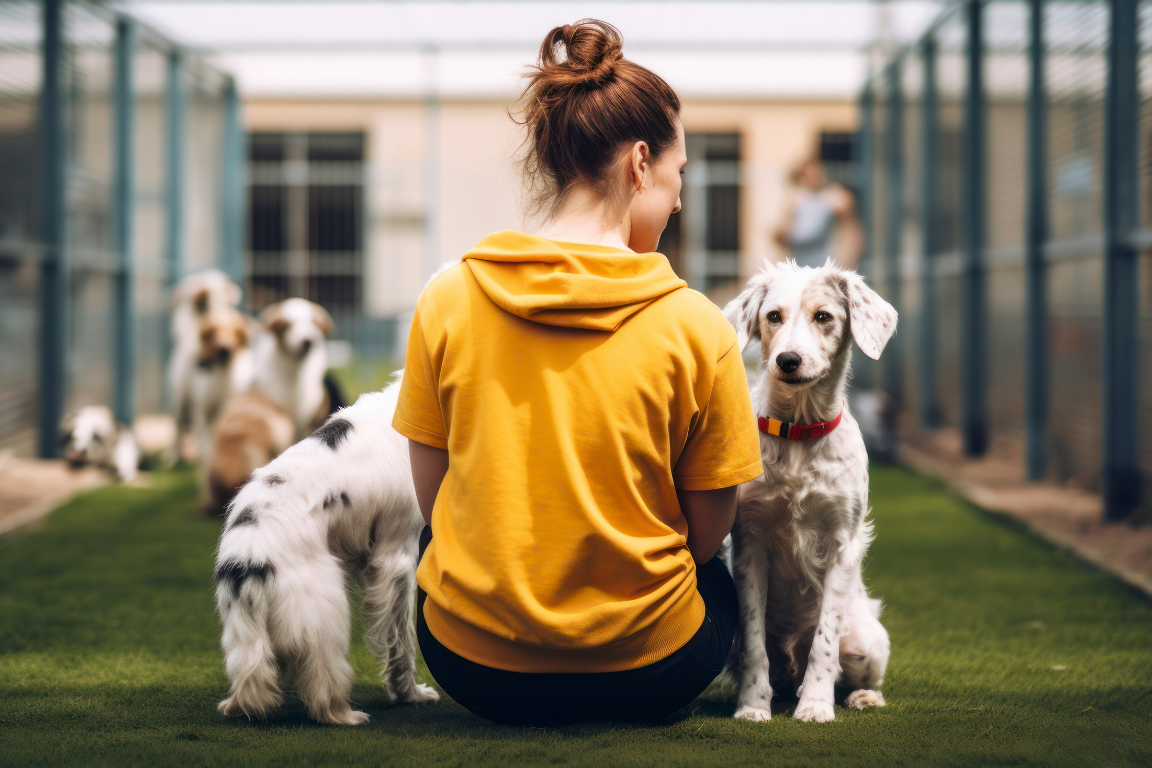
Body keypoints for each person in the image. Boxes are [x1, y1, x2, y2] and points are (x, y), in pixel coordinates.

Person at [392, 19, 764, 726]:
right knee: (714, 575)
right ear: (640, 163)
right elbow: (708, 531)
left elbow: (436, 502)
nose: (679, 199)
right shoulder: (697, 324)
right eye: (678, 176)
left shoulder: (446, 298)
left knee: (434, 541)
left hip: (473, 668)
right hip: (654, 670)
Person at [773, 158, 863, 270]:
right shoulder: (797, 202)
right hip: (802, 265)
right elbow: (784, 235)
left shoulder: (836, 199)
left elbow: (852, 232)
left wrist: (849, 260)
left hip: (828, 265)